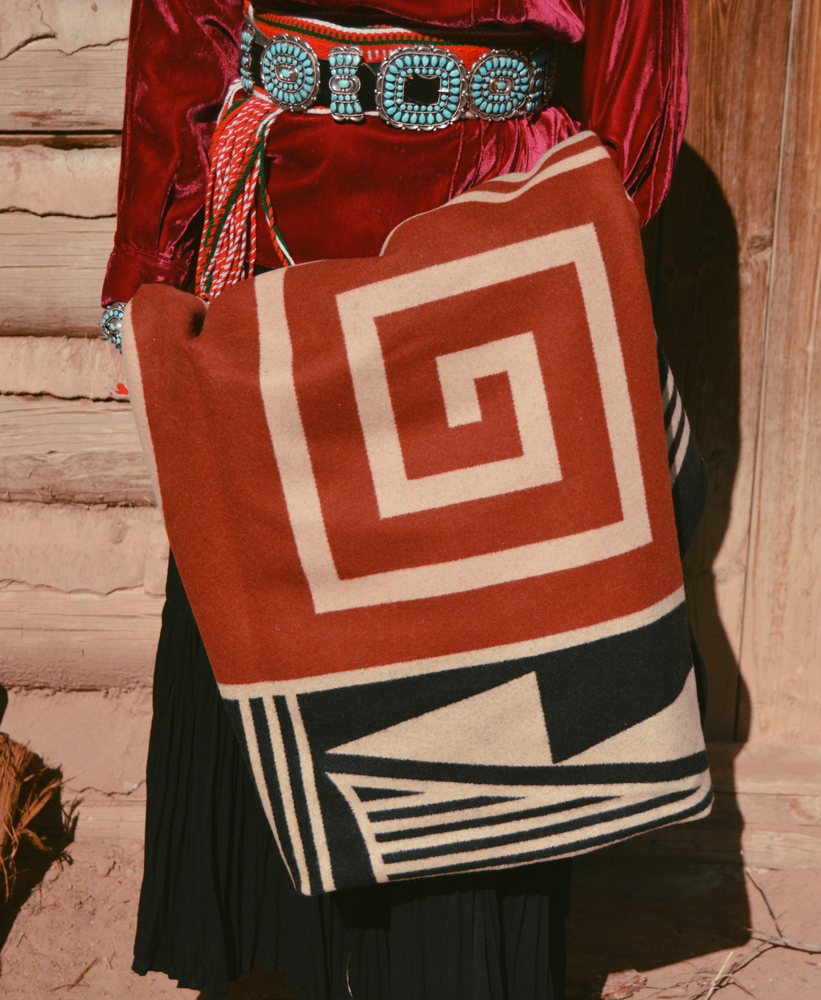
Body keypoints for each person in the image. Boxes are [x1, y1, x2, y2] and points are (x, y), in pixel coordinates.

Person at [100, 3, 689, 998]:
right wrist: (155, 263)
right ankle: (277, 954)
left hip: (498, 218)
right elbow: (182, 22)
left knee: (472, 609)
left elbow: (636, 60)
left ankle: (453, 965)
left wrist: (591, 249)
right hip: (281, 212)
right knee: (269, 578)